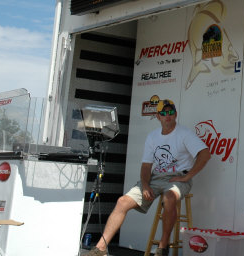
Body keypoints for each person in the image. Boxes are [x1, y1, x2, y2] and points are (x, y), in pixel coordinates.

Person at [87, 99, 211, 256]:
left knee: (169, 197)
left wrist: (188, 176)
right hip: (156, 177)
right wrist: (145, 185)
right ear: (158, 116)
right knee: (122, 202)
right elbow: (146, 166)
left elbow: (205, 154)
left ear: (176, 114)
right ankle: (101, 248)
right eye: (163, 113)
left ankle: (162, 247)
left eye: (171, 112)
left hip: (177, 177)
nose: (168, 116)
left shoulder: (184, 133)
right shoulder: (152, 136)